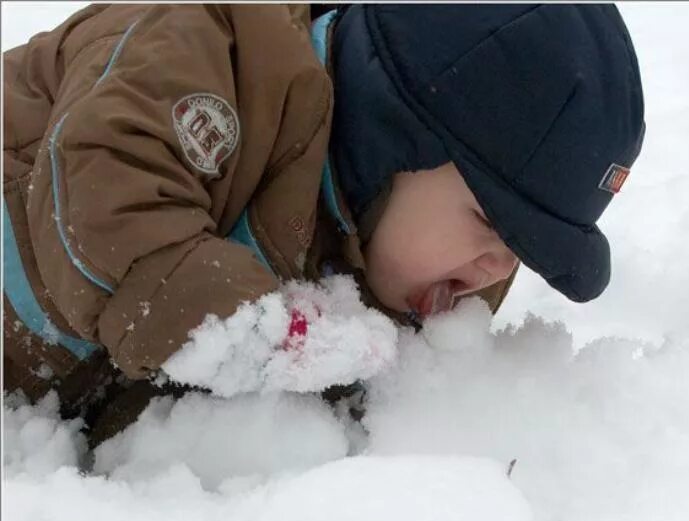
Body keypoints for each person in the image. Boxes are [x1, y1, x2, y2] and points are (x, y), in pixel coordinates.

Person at [2, 4, 646, 447]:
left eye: (525, 251)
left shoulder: (389, 259)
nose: (499, 268)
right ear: (392, 141)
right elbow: (101, 205)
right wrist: (275, 338)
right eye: (490, 222)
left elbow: (163, 405)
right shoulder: (211, 46)